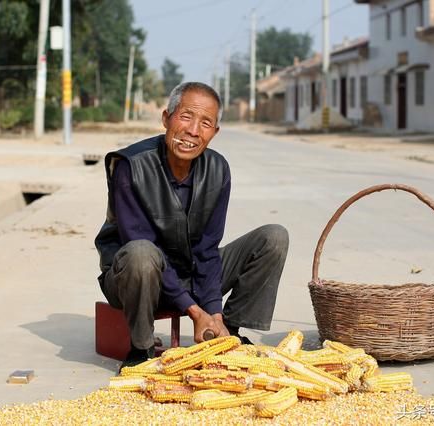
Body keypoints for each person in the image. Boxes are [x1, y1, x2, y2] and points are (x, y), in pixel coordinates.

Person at [95, 82, 289, 370]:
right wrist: (195, 311)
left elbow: (207, 249)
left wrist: (214, 314)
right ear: (166, 118)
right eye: (186, 117)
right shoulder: (131, 166)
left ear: (215, 132)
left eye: (206, 123)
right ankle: (141, 347)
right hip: (136, 278)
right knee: (141, 253)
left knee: (273, 237)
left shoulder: (218, 169)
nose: (193, 131)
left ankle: (228, 333)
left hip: (190, 275)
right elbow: (140, 244)